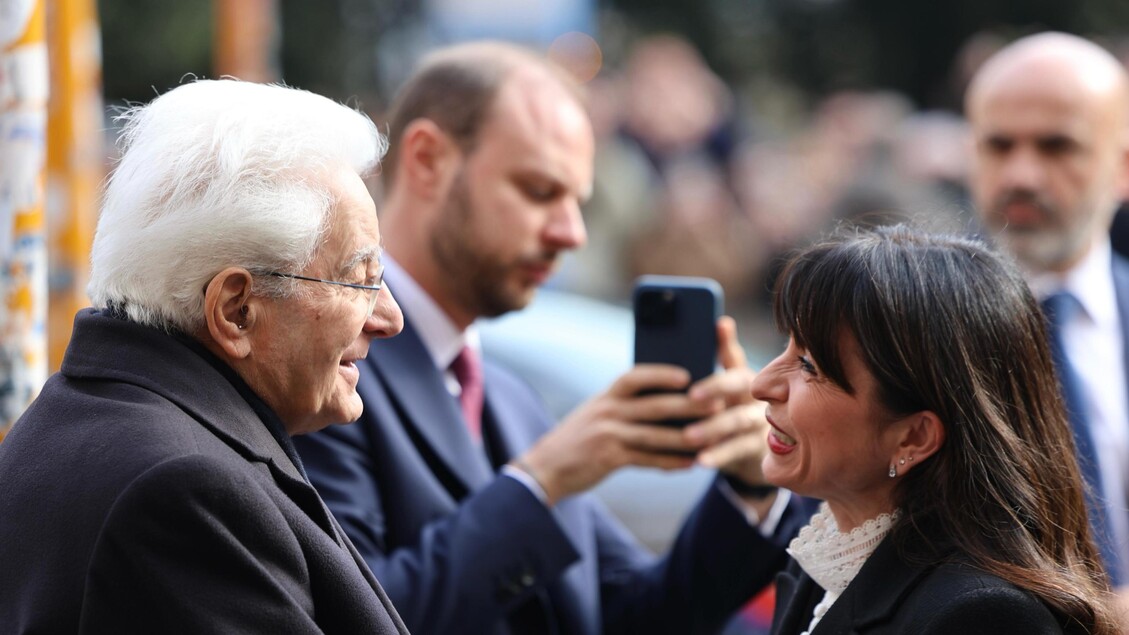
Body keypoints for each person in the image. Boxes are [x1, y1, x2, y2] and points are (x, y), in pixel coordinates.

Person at [293, 41, 809, 634]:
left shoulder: (509, 400)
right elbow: (354, 617)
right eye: (540, 191)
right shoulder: (326, 372)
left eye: (577, 201)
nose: (572, 233)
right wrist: (542, 482)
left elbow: (634, 615)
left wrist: (747, 486)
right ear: (428, 160)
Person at [0, 79, 409, 633]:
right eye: (359, 279)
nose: (389, 318)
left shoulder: (99, 421)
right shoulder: (184, 492)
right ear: (236, 310)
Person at [751, 224, 1117, 634]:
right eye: (787, 346)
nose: (762, 384)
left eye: (809, 366)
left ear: (914, 437)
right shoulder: (834, 559)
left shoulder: (981, 617)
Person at [965, 32, 1129, 596]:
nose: (1022, 175)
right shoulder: (902, 328)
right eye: (999, 145)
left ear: (1123, 166)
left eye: (1057, 146)